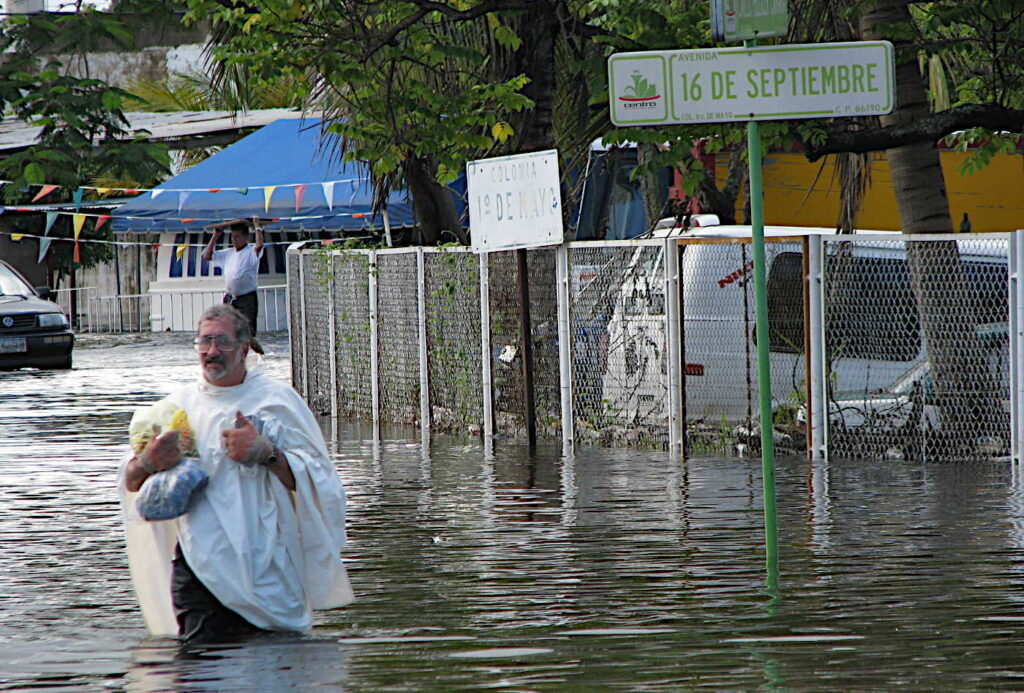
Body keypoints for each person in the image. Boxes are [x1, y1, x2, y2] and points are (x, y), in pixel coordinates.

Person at [118, 304, 353, 644]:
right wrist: (150, 462)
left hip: (266, 564)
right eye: (205, 342)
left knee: (273, 663)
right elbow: (131, 482)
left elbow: (324, 484)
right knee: (202, 672)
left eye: (223, 342)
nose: (212, 352)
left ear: (244, 348)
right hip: (200, 566)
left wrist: (266, 454)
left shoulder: (276, 402)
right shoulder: (174, 409)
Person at [202, 217, 265, 353]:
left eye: (237, 237)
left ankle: (258, 353)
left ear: (246, 237)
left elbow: (259, 246)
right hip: (230, 298)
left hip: (246, 298)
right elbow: (207, 256)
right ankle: (229, 353)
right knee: (225, 328)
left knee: (248, 332)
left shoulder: (250, 251)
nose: (234, 240)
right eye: (232, 237)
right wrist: (216, 235)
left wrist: (257, 227)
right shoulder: (228, 253)